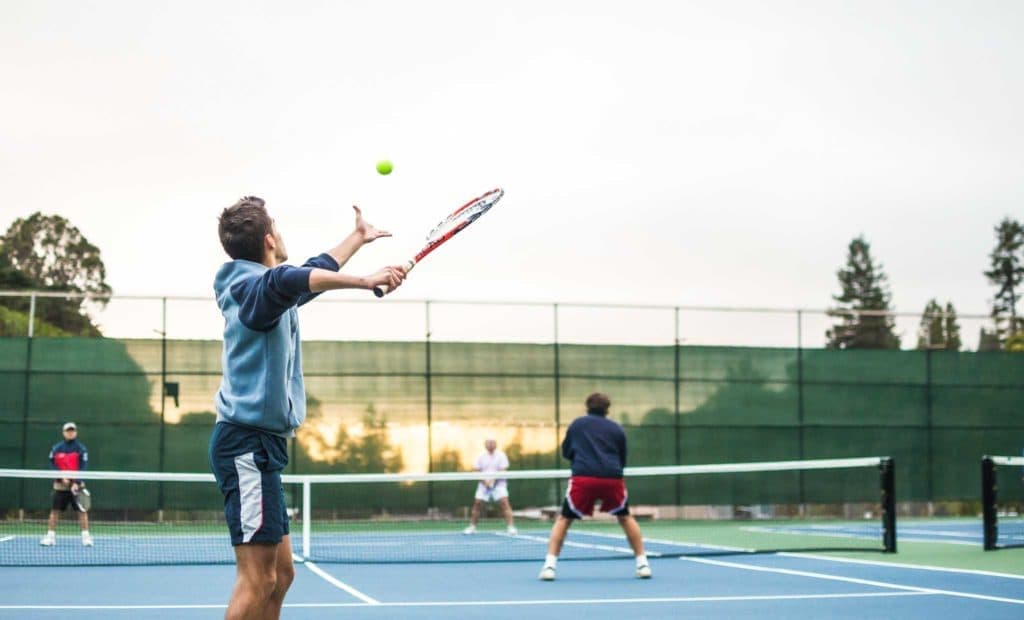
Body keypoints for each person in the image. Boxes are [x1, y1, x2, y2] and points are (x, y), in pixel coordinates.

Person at [209, 196, 406, 620]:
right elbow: (290, 279)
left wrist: (357, 238)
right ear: (269, 240)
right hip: (246, 446)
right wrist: (366, 281)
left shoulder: (264, 291)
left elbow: (308, 273)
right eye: (277, 229)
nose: (281, 236)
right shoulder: (254, 290)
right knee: (258, 580)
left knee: (281, 574)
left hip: (262, 446)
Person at [539, 392, 651, 581]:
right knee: (625, 517)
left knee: (564, 519)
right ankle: (643, 564)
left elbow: (566, 451)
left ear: (587, 406)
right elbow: (622, 458)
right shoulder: (616, 429)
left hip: (584, 478)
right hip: (612, 478)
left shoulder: (577, 425)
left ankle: (549, 567)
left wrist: (582, 460)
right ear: (607, 409)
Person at [40, 422, 92, 547]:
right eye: (68, 431)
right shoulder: (56, 448)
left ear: (76, 432)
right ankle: (50, 537)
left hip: (77, 486)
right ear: (64, 433)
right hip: (60, 485)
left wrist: (76, 482)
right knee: (55, 511)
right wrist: (61, 477)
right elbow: (52, 464)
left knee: (82, 511)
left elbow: (83, 466)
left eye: (72, 430)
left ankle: (86, 538)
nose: (70, 433)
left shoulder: (81, 448)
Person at [463, 439, 517, 535]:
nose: (490, 445)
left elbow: (503, 470)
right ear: (485, 445)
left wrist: (493, 481)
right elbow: (476, 471)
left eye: (492, 443)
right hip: (483, 485)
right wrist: (485, 482)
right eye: (488, 443)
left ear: (495, 444)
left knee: (504, 503)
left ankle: (511, 527)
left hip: (499, 484)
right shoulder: (480, 456)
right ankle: (472, 527)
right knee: (477, 504)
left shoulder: (501, 455)